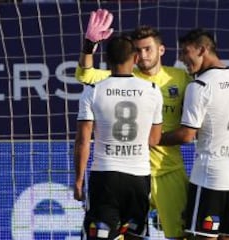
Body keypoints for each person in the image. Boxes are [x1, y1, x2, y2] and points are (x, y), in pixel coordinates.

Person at [76, 9, 192, 239]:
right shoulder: (128, 78)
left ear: (161, 49)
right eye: (138, 50)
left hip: (168, 171)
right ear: (133, 57)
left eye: (148, 48)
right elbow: (84, 74)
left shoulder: (180, 78)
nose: (143, 54)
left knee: (180, 234)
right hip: (136, 170)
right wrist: (89, 45)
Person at [159, 28, 229, 240]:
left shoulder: (199, 85)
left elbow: (186, 135)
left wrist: (153, 139)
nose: (182, 59)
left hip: (212, 176)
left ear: (202, 49)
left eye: (185, 52)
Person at [73, 35, 163, 240]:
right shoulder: (152, 90)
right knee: (135, 235)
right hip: (138, 178)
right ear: (135, 58)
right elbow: (154, 139)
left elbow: (82, 141)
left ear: (107, 60)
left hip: (105, 177)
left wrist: (78, 181)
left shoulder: (93, 91)